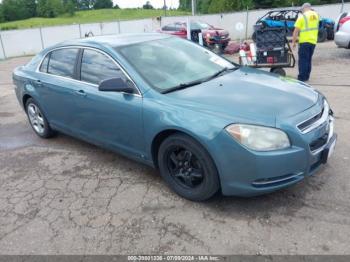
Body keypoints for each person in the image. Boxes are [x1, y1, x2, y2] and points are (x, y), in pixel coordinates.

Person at [292, 3, 319, 82]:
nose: (302, 12)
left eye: (302, 10)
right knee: (308, 59)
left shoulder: (302, 17)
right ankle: (307, 76)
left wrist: (293, 42)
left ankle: (302, 78)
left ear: (304, 8)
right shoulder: (316, 15)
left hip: (304, 42)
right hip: (313, 41)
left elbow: (296, 31)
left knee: (303, 60)